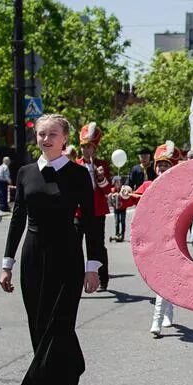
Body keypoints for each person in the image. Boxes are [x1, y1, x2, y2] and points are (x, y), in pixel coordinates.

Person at [0, 114, 102, 385]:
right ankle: (69, 373)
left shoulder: (77, 174)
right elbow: (17, 218)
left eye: (52, 134)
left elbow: (91, 221)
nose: (45, 139)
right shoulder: (26, 172)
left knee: (58, 329)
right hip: (33, 257)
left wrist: (93, 266)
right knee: (40, 329)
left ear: (64, 138)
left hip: (67, 258)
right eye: (41, 134)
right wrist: (7, 263)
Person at [120, 142, 182, 336]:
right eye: (159, 165)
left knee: (163, 277)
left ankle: (156, 320)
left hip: (173, 239)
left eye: (166, 165)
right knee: (161, 278)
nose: (162, 168)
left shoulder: (180, 188)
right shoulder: (149, 185)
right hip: (151, 238)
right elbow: (130, 198)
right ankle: (168, 309)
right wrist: (124, 192)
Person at [78, 123, 113, 290]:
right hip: (78, 212)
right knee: (75, 246)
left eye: (89, 147)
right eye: (84, 147)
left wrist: (100, 177)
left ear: (95, 149)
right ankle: (76, 278)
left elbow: (108, 190)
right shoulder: (75, 165)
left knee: (97, 246)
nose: (86, 151)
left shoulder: (102, 165)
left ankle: (103, 278)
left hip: (97, 211)